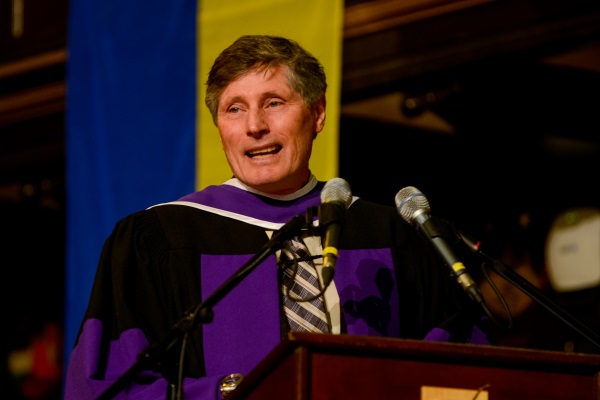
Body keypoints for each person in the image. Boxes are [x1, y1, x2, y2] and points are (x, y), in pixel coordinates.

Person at [64, 35, 489, 399]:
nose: (255, 126)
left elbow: (461, 367)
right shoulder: (159, 239)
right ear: (219, 128)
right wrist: (232, 392)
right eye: (234, 109)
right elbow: (107, 385)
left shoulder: (392, 234)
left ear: (317, 113)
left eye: (274, 103)